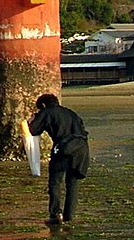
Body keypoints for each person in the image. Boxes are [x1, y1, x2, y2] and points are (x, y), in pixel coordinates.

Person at [28, 93, 90, 226]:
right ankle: (69, 216)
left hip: (63, 148)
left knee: (55, 182)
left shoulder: (46, 112)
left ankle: (55, 214)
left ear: (43, 105)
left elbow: (34, 131)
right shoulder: (71, 113)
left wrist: (32, 120)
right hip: (81, 148)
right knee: (72, 183)